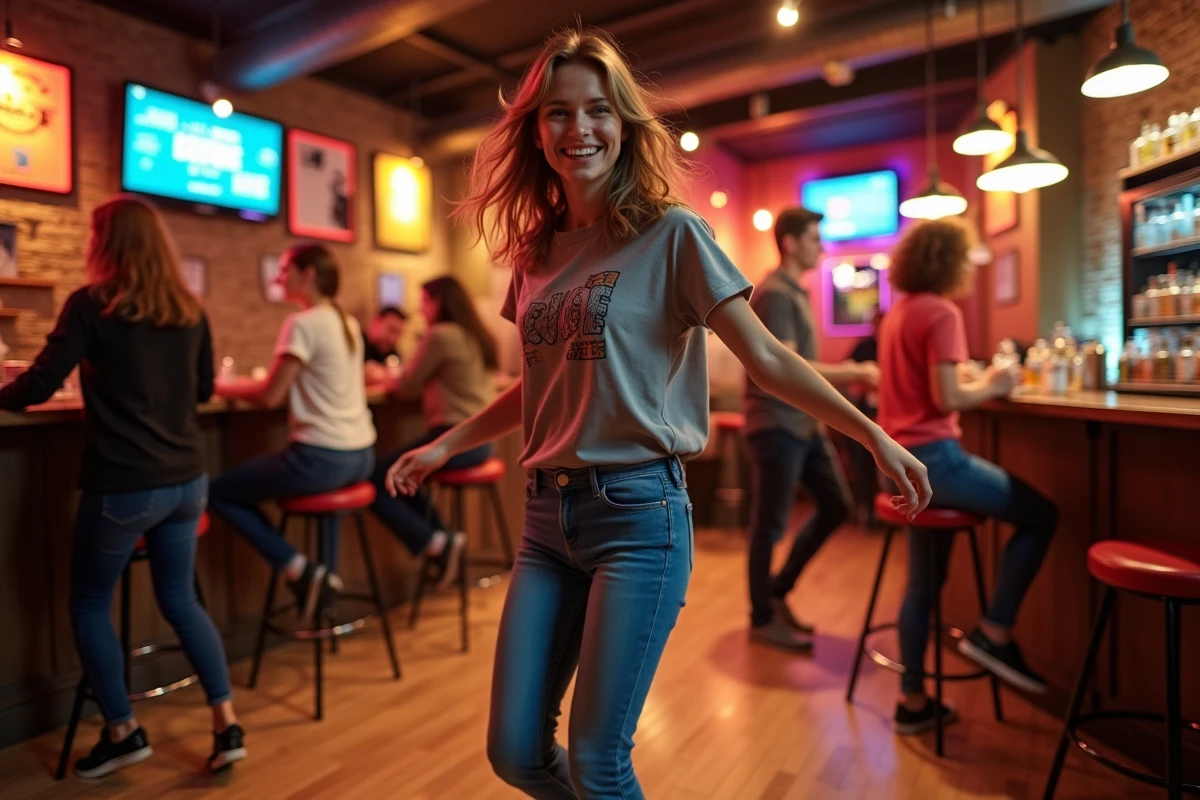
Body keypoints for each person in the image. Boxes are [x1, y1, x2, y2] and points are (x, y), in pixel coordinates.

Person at [383, 28, 931, 800]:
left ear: (625, 123)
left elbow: (767, 358)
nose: (580, 130)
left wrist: (872, 435)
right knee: (515, 753)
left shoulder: (672, 234)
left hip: (639, 515)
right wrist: (447, 444)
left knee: (601, 763)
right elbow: (538, 389)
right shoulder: (535, 254)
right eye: (559, 114)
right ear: (537, 132)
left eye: (598, 111)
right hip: (544, 521)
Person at [0, 195, 245, 777]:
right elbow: (206, 388)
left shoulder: (91, 305)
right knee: (181, 600)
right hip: (188, 481)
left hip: (124, 489)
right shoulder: (190, 309)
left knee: (87, 604)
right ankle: (226, 722)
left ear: (103, 244)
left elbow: (37, 386)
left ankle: (123, 731)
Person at [876, 217, 1057, 737]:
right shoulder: (941, 311)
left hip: (902, 462)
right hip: (939, 462)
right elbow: (948, 398)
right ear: (949, 261)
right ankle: (994, 631)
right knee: (1042, 516)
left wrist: (975, 380)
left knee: (922, 586)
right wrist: (998, 381)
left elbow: (933, 385)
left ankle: (912, 701)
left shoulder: (900, 312)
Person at [210, 243, 376, 626]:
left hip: (322, 459)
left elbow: (270, 394)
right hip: (360, 455)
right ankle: (324, 588)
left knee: (218, 492)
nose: (277, 278)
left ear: (309, 275)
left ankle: (299, 568)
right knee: (321, 500)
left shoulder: (302, 323)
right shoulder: (344, 321)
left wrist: (217, 386)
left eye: (284, 270)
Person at [743, 207, 880, 652]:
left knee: (837, 505)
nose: (821, 247)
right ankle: (762, 617)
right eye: (814, 239)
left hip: (801, 424)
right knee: (769, 525)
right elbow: (786, 366)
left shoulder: (793, 292)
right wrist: (854, 370)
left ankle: (777, 592)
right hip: (776, 423)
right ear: (789, 242)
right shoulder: (775, 294)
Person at [370, 275, 498, 587]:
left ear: (437, 302)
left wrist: (378, 375)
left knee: (378, 477)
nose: (420, 309)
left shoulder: (440, 334)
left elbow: (405, 387)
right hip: (480, 441)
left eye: (423, 302)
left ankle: (436, 542)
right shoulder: (473, 333)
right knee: (411, 472)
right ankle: (442, 540)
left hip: (452, 439)